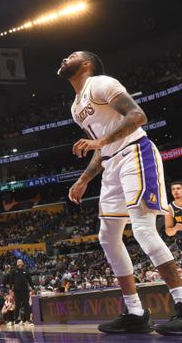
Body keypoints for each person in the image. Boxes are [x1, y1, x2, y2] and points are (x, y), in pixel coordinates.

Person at [62, 51, 182, 335]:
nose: (65, 59)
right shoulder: (75, 106)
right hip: (113, 163)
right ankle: (136, 312)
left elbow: (138, 116)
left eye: (72, 56)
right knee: (107, 236)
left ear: (87, 64)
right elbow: (100, 148)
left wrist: (101, 142)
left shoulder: (100, 83)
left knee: (143, 229)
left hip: (135, 153)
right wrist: (83, 180)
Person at [6, 260, 32, 325]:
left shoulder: (26, 271)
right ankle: (16, 320)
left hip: (25, 291)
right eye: (18, 262)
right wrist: (10, 289)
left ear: (22, 263)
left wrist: (33, 288)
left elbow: (30, 280)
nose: (20, 263)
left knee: (26, 305)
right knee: (17, 305)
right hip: (17, 291)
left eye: (21, 262)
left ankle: (27, 320)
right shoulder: (13, 271)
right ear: (17, 264)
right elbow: (11, 281)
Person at [164, 181, 182, 246]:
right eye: (173, 189)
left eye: (178, 188)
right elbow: (168, 232)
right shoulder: (170, 208)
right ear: (171, 192)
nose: (175, 191)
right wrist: (175, 228)